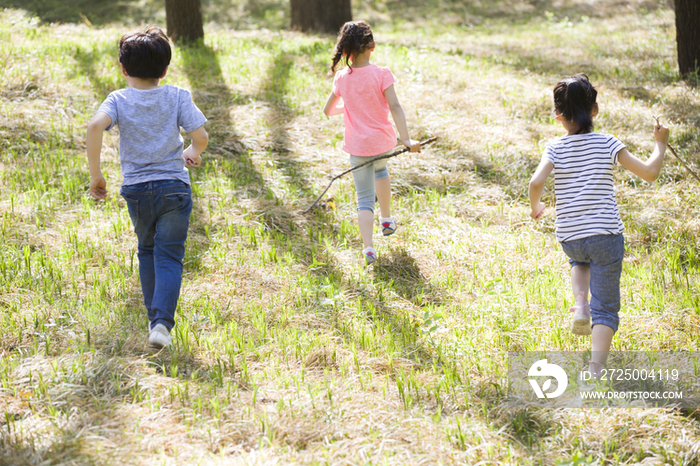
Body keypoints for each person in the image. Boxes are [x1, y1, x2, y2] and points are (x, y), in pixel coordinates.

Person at [528, 73, 669, 376]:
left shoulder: (553, 148)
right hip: (605, 235)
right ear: (595, 110)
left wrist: (536, 206)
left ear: (557, 115)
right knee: (605, 308)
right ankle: (595, 368)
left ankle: (580, 302)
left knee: (578, 259)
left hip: (570, 235)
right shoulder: (608, 143)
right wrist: (660, 143)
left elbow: (536, 181)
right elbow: (649, 173)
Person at [85, 26, 208, 349]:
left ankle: (155, 320)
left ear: (123, 69)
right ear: (165, 69)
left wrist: (96, 175)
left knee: (147, 251)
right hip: (174, 189)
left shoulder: (118, 99)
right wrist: (192, 153)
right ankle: (161, 324)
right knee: (169, 255)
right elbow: (201, 137)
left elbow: (95, 125)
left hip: (138, 190)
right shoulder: (177, 95)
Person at [323, 20, 421, 265]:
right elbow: (396, 107)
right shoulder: (381, 74)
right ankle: (386, 218)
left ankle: (368, 248)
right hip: (383, 143)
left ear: (345, 51)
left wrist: (349, 109)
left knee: (364, 199)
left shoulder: (342, 78)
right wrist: (406, 139)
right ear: (372, 46)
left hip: (357, 148)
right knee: (382, 169)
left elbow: (328, 110)